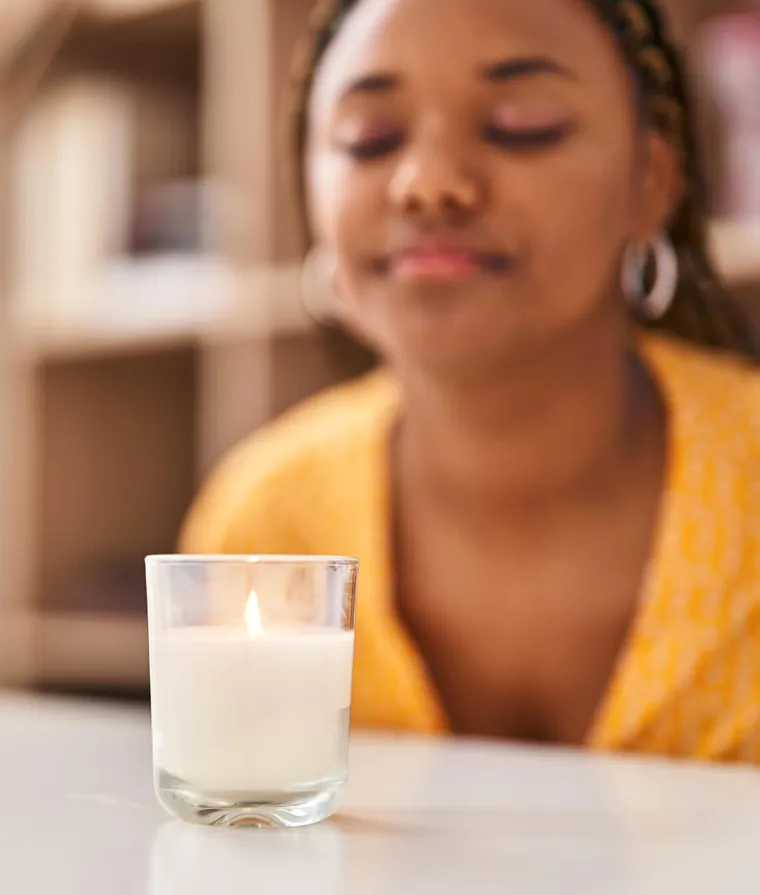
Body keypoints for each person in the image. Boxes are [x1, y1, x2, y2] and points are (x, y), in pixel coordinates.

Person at [181, 0, 760, 762]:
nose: (429, 183)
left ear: (649, 182)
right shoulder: (264, 525)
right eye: (370, 139)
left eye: (522, 123)